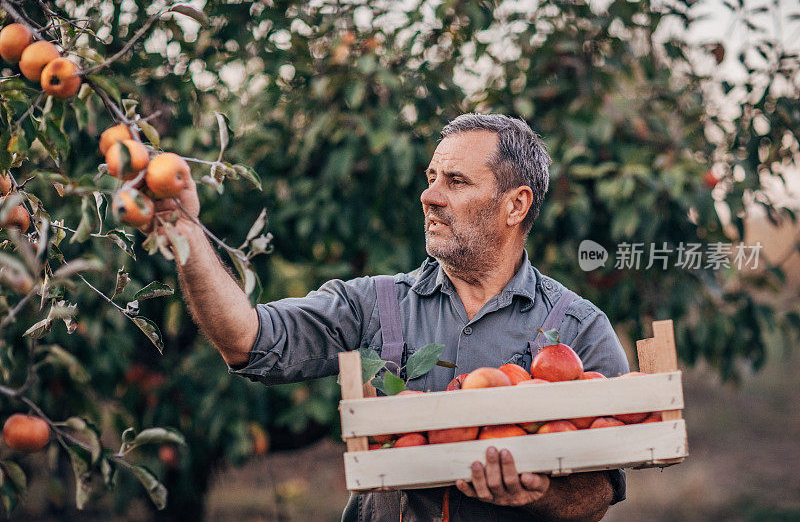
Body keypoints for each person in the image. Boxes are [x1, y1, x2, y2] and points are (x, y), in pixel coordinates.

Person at [153, 113, 630, 521]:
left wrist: (541, 492)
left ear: (516, 204)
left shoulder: (577, 326)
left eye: (456, 182)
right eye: (431, 178)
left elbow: (602, 490)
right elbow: (247, 339)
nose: (430, 196)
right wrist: (188, 235)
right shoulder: (372, 305)